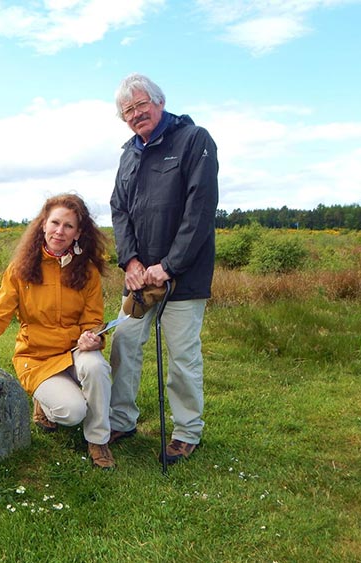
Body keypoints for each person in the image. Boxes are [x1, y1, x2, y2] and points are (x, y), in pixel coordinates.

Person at [0, 193, 115, 469]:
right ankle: (44, 404)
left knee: (96, 368)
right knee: (73, 411)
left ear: (78, 233)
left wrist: (92, 336)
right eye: (55, 223)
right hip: (36, 357)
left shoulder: (88, 272)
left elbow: (93, 319)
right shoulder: (20, 270)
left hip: (74, 350)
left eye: (69, 226)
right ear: (43, 224)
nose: (60, 231)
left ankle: (98, 441)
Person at [108, 73, 219, 464]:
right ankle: (121, 419)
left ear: (159, 102)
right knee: (124, 343)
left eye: (141, 105)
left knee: (182, 355)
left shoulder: (194, 140)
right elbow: (119, 210)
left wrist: (169, 266)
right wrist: (132, 262)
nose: (136, 115)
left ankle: (187, 431)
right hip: (139, 279)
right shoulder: (129, 154)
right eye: (128, 111)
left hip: (183, 277)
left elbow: (200, 210)